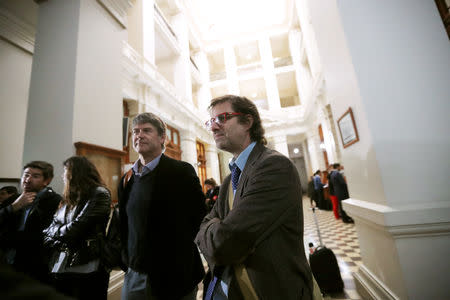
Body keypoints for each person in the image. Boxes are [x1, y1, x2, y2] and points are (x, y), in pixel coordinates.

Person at [195, 95, 313, 300]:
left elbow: (224, 244)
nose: (213, 127)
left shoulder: (274, 167)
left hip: (269, 290)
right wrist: (213, 229)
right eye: (211, 121)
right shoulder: (229, 179)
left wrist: (213, 230)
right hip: (228, 288)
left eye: (222, 118)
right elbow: (204, 226)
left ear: (248, 122)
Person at [118, 112, 206, 300]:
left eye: (147, 130)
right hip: (135, 274)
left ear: (162, 138)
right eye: (135, 131)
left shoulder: (181, 172)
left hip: (174, 276)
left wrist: (180, 259)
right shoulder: (127, 178)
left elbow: (199, 219)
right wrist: (126, 260)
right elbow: (123, 224)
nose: (139, 135)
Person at [44, 156, 111, 299]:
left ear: (76, 173)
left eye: (65, 171)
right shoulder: (70, 197)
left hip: (87, 262)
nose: (63, 176)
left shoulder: (99, 193)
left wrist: (55, 233)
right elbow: (49, 228)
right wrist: (56, 232)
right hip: (63, 262)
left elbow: (76, 229)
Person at [0, 161, 61, 284]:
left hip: (34, 267)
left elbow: (46, 235)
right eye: (26, 175)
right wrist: (13, 207)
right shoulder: (13, 200)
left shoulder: (55, 202)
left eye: (35, 176)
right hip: (6, 262)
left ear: (47, 180)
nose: (28, 180)